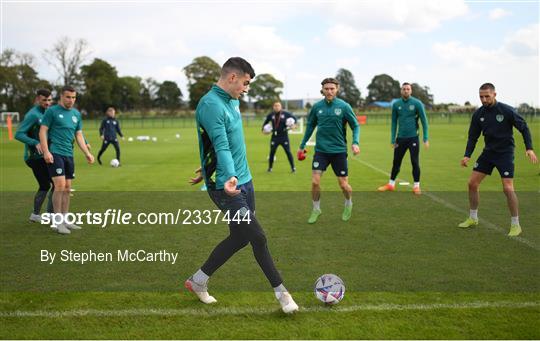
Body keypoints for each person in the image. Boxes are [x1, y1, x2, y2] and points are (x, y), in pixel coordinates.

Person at [185, 57, 299, 314]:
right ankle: (283, 295)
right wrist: (225, 176)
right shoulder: (210, 105)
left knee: (239, 238)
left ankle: (198, 280)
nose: (246, 89)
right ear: (232, 77)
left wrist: (209, 167)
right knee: (257, 237)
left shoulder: (233, 101)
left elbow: (227, 142)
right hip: (227, 186)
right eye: (245, 83)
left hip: (244, 181)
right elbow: (220, 144)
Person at [459, 83, 537, 237]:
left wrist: (529, 148)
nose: (484, 99)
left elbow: (524, 127)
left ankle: (516, 224)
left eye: (487, 96)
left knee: (508, 188)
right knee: (472, 183)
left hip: (505, 154)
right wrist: (467, 154)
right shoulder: (478, 114)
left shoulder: (506, 110)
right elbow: (473, 137)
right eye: (481, 96)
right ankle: (473, 218)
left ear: (495, 94)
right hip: (488, 153)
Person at [298, 77, 360, 223]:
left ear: (337, 89)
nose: (329, 91)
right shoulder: (317, 107)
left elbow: (355, 125)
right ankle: (316, 209)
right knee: (314, 182)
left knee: (344, 185)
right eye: (327, 89)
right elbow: (310, 126)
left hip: (339, 151)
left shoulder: (344, 106)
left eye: (332, 88)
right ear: (323, 90)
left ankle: (348, 203)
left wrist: (355, 142)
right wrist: (302, 145)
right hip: (321, 151)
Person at [39, 85, 95, 235]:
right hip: (55, 153)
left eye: (74, 97)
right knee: (60, 185)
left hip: (68, 155)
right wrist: (46, 151)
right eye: (68, 97)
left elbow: (78, 135)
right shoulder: (52, 111)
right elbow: (42, 131)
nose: (71, 100)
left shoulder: (76, 114)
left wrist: (86, 153)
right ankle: (57, 222)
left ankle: (65, 219)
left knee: (68, 187)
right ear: (62, 97)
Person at [377, 82, 429, 195]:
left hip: (413, 138)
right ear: (401, 91)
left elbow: (424, 121)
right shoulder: (396, 104)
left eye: (408, 89)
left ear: (411, 91)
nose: (406, 91)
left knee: (415, 162)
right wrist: (392, 139)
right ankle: (391, 184)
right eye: (404, 89)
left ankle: (416, 186)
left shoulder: (417, 103)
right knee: (396, 162)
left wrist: (425, 138)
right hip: (400, 139)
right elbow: (394, 123)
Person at [15, 89, 54, 222]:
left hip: (47, 155)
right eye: (44, 100)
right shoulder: (32, 115)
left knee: (56, 183)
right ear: (38, 99)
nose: (47, 103)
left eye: (49, 100)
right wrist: (35, 142)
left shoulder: (50, 112)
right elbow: (18, 134)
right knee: (46, 185)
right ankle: (37, 214)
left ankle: (49, 214)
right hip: (34, 157)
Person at [261, 101, 297, 173]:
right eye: (275, 106)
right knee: (272, 152)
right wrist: (263, 130)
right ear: (273, 107)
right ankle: (270, 168)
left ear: (281, 107)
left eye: (278, 106)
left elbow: (294, 118)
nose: (277, 107)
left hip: (284, 136)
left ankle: (293, 168)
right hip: (274, 136)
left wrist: (294, 125)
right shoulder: (271, 115)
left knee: (288, 152)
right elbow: (265, 123)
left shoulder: (286, 114)